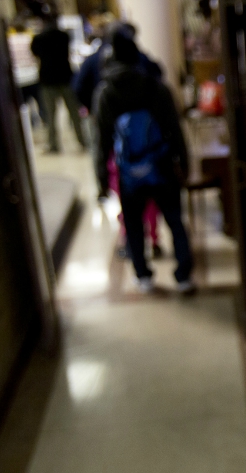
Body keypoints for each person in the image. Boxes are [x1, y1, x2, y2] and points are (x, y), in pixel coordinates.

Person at [94, 33, 195, 294]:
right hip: (161, 166)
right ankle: (183, 275)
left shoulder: (105, 94)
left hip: (128, 172)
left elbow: (101, 141)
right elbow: (175, 129)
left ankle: (143, 275)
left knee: (134, 225)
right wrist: (183, 164)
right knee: (174, 220)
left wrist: (102, 180)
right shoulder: (156, 87)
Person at [75, 23, 165, 259]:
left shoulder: (99, 76)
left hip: (119, 151)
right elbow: (160, 77)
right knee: (150, 201)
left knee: (129, 204)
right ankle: (153, 239)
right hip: (149, 146)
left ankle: (134, 250)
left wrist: (93, 110)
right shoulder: (141, 61)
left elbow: (78, 88)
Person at [31, 15, 88, 153]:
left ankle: (53, 145)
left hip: (48, 79)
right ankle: (82, 141)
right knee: (74, 113)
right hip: (65, 77)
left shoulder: (38, 39)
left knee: (50, 116)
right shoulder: (64, 36)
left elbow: (35, 54)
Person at [7, 21, 45, 126]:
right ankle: (44, 121)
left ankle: (27, 125)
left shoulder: (9, 41)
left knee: (22, 106)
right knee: (40, 102)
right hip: (32, 75)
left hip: (18, 77)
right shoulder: (29, 39)